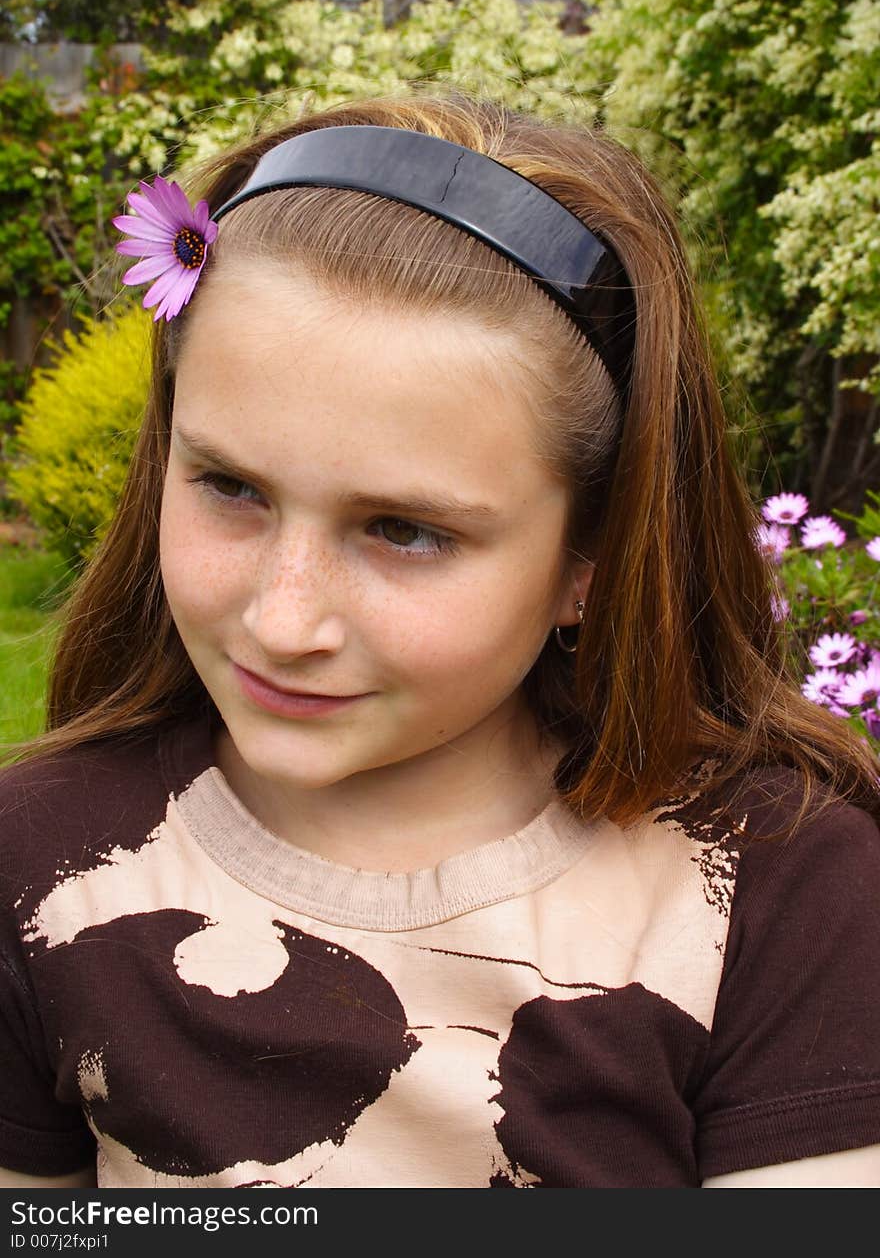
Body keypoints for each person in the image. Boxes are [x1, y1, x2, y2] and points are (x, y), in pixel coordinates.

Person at [1, 88, 879, 1190]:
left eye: (404, 530)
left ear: (587, 560)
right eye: (230, 485)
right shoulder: (39, 869)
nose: (283, 618)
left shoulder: (775, 895)